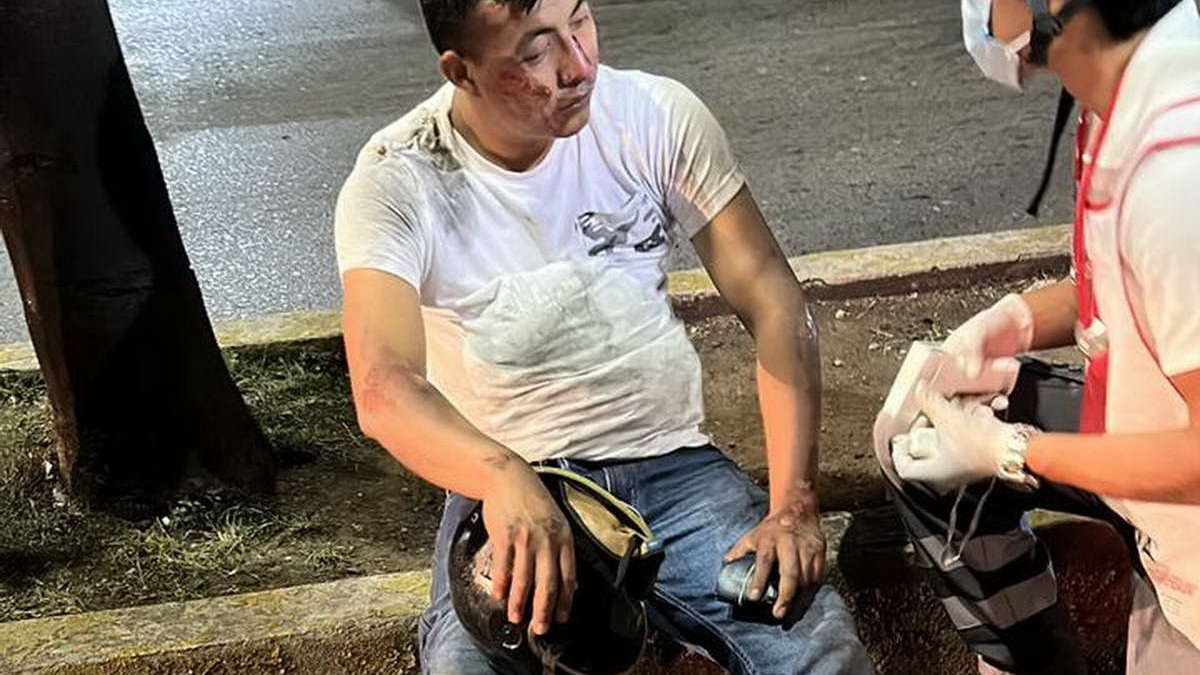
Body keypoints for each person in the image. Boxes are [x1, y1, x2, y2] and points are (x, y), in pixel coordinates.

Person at [334, 0, 872, 672]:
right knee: (463, 665)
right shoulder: (399, 176)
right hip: (510, 473)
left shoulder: (653, 114)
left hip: (672, 467)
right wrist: (498, 475)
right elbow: (382, 385)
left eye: (580, 20)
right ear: (461, 71)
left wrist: (794, 501)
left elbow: (771, 294)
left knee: (817, 649)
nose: (578, 66)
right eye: (536, 51)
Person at [876, 0, 1200, 672]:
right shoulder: (1128, 95)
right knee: (912, 430)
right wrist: (1013, 320)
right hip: (1159, 464)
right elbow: (1136, 281)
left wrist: (1014, 449)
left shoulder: (1176, 171)